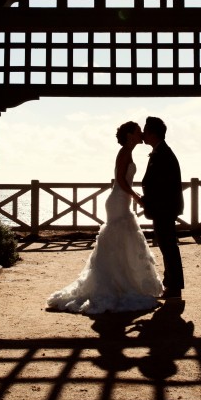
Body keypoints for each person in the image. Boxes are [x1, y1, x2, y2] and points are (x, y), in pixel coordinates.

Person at [47, 121, 163, 314]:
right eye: (137, 131)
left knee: (122, 241)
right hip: (118, 200)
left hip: (122, 200)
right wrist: (136, 197)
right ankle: (114, 284)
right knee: (118, 239)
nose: (141, 133)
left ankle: (122, 281)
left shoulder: (129, 151)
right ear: (129, 136)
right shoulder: (125, 152)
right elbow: (120, 179)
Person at [140, 116, 185, 299]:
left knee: (168, 247)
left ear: (152, 133)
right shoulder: (161, 151)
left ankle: (174, 287)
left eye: (145, 130)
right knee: (167, 246)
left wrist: (147, 200)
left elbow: (161, 185)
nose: (143, 134)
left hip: (164, 208)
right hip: (163, 208)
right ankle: (172, 285)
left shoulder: (162, 154)